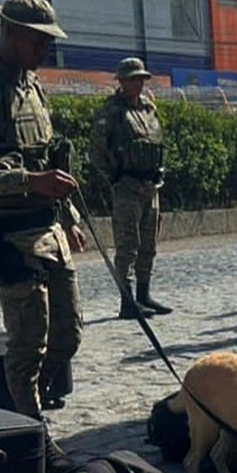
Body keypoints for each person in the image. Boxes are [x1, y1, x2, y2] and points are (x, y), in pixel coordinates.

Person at [0, 0, 85, 473]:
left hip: (49, 230)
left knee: (68, 336)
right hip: (10, 235)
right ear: (9, 33)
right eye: (38, 41)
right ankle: (33, 434)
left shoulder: (32, 87)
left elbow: (48, 160)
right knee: (27, 346)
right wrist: (28, 183)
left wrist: (65, 213)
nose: (44, 50)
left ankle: (22, 406)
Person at [89, 57, 170, 319]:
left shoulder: (149, 109)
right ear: (121, 81)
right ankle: (127, 301)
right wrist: (115, 178)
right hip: (127, 186)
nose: (138, 83)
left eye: (141, 78)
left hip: (151, 185)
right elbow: (97, 152)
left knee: (149, 243)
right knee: (127, 246)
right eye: (132, 78)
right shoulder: (111, 112)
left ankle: (143, 295)